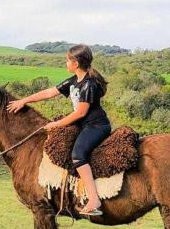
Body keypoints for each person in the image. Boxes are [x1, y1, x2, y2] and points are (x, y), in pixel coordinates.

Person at [6, 44, 112, 216]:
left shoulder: (88, 84)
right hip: (82, 125)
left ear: (76, 63)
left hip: (96, 126)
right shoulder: (73, 82)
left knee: (77, 154)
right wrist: (24, 101)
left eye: (67, 60)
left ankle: (94, 199)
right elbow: (49, 92)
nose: (66, 63)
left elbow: (81, 112)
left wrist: (56, 124)